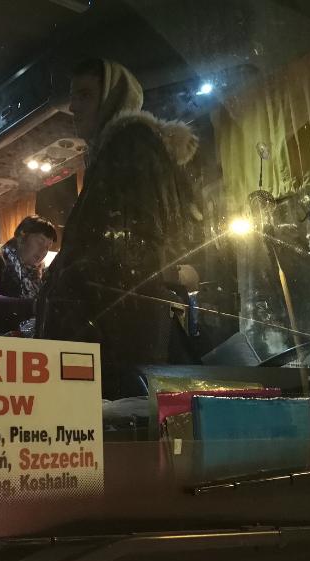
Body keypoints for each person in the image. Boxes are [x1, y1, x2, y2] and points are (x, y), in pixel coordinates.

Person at [36, 59, 201, 365]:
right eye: (73, 97)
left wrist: (66, 287)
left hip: (114, 334)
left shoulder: (130, 145)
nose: (73, 107)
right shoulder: (118, 150)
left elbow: (128, 249)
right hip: (115, 329)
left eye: (85, 95)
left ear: (114, 97)